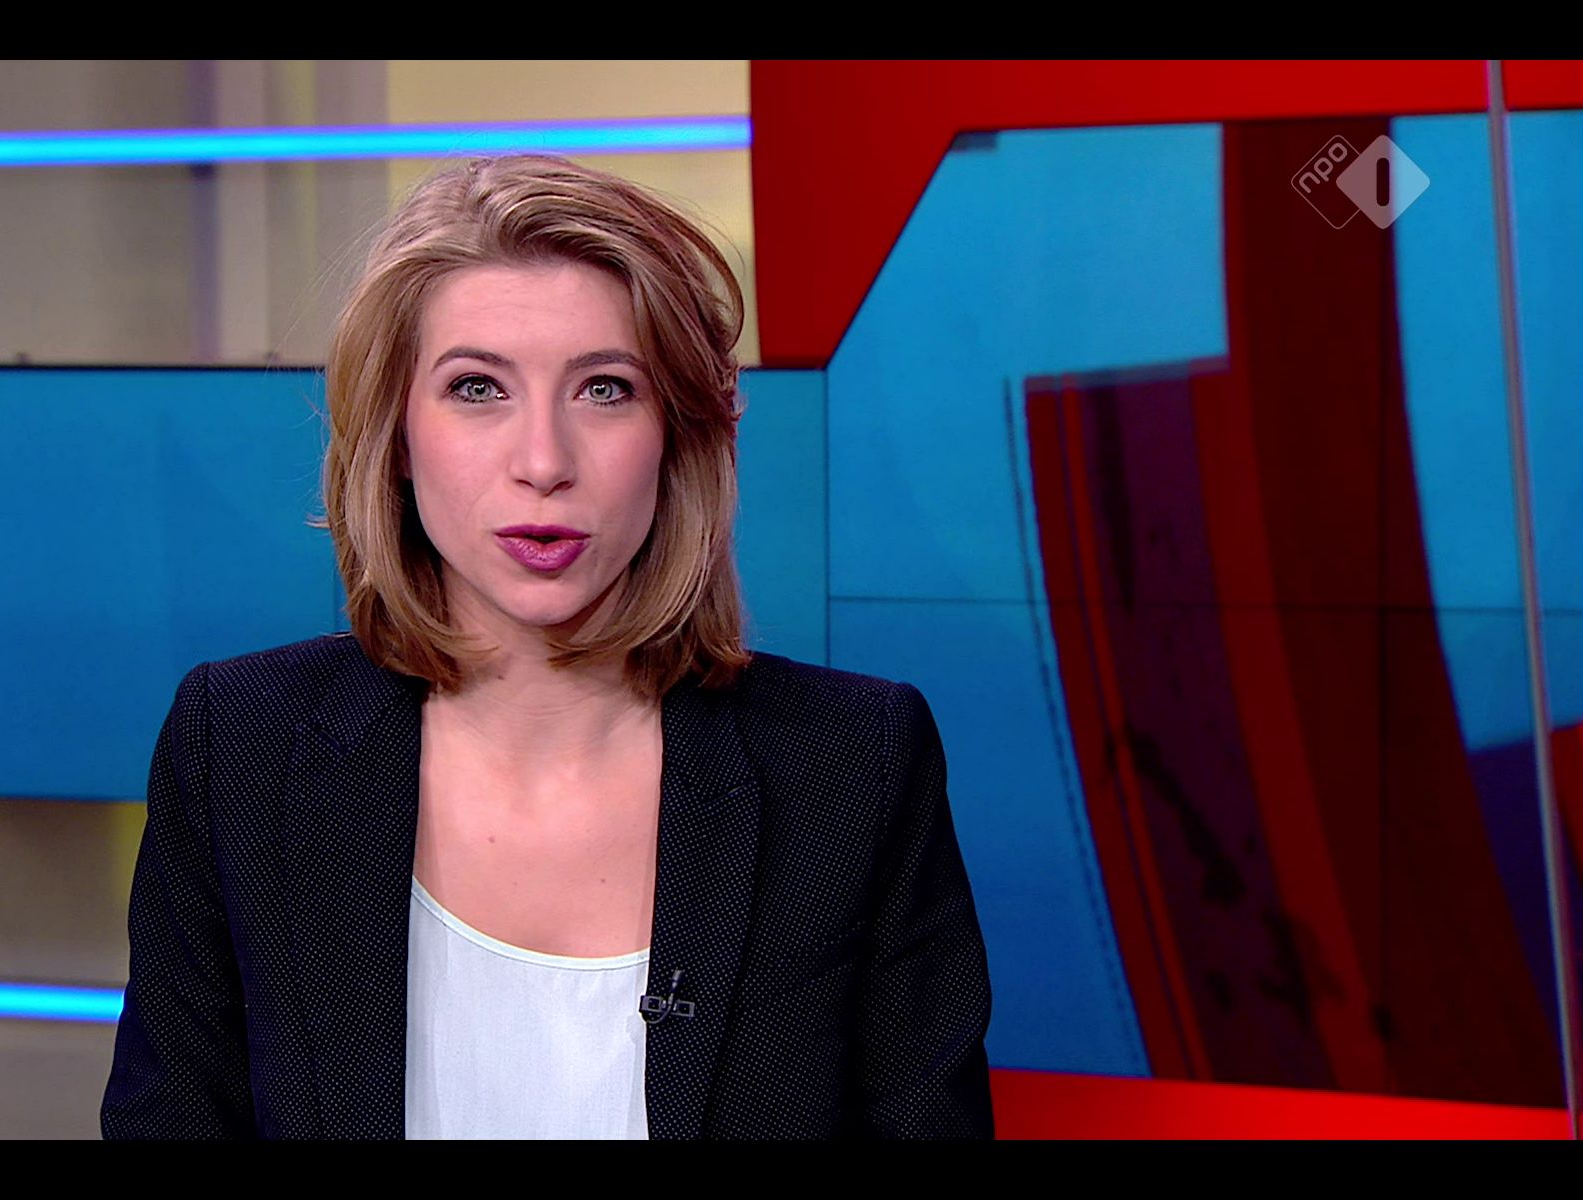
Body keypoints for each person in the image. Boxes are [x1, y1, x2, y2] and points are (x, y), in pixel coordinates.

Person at [100, 153, 994, 1139]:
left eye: (605, 389)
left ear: (678, 435)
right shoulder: (241, 746)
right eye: (477, 387)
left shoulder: (853, 766)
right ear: (397, 437)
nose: (543, 462)